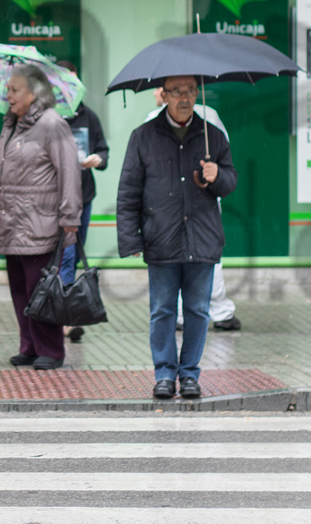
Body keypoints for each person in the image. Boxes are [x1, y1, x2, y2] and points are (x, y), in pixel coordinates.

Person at [118, 76, 237, 400]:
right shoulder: (143, 136)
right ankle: (164, 374)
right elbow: (128, 191)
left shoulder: (212, 135)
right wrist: (130, 239)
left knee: (198, 310)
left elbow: (230, 181)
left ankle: (189, 375)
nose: (183, 98)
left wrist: (217, 176)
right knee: (162, 311)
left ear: (196, 93)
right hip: (161, 237)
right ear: (164, 95)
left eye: (189, 91)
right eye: (176, 92)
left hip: (202, 237)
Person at [0, 64, 82, 371]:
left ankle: (50, 349)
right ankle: (28, 345)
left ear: (34, 93)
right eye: (8, 89)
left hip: (40, 222)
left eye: (15, 90)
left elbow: (69, 172)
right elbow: (11, 170)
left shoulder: (52, 124)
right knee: (20, 290)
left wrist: (70, 217)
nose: (8, 95)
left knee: (42, 290)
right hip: (12, 223)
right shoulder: (11, 124)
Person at [144, 86, 242, 332]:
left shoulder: (208, 119)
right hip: (175, 206)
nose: (154, 94)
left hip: (193, 203)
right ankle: (217, 312)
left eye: (158, 89)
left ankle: (202, 312)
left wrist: (214, 174)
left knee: (201, 258)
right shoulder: (152, 124)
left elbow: (225, 165)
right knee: (195, 258)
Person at [54, 60, 109, 343]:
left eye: (73, 81)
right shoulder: (48, 117)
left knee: (73, 254)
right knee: (63, 255)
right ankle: (63, 317)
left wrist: (97, 160)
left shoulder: (89, 116)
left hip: (83, 196)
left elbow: (103, 150)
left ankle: (64, 313)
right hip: (53, 198)